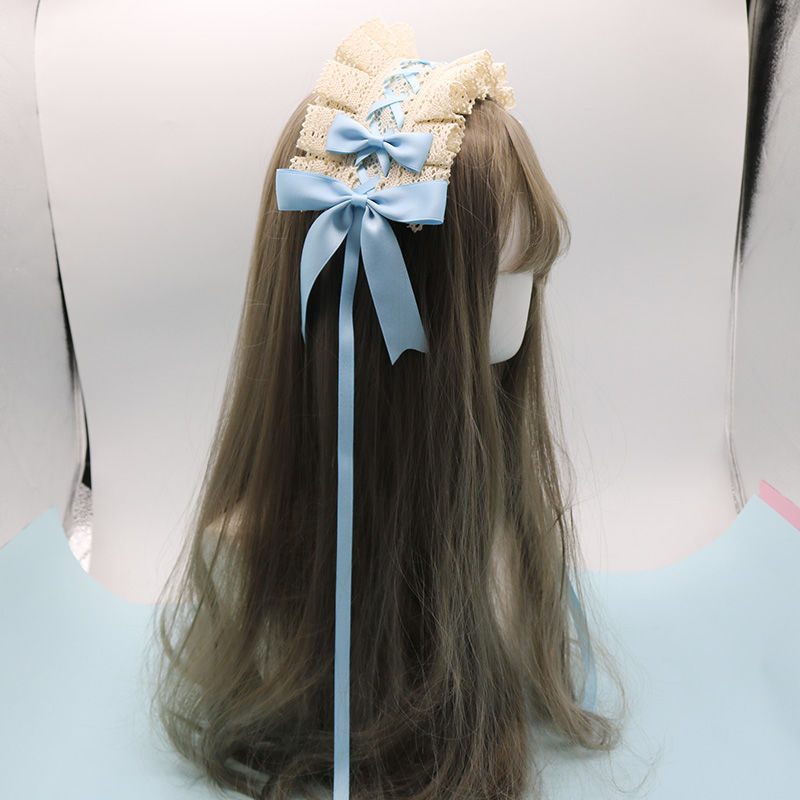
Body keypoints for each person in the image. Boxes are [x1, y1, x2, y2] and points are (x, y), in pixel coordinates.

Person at [149, 17, 623, 800]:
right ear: (400, 308)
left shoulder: (502, 538)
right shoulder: (250, 558)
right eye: (510, 270)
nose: (537, 280)